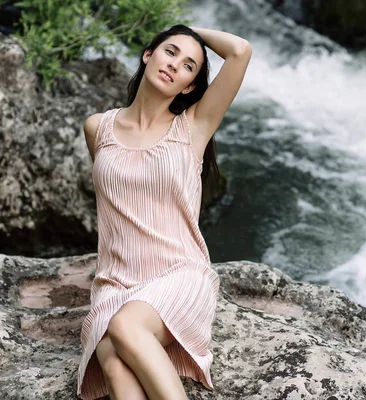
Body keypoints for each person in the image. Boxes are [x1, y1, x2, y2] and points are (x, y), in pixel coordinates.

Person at [77, 24, 252, 400]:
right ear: (148, 54)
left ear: (189, 86)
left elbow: (240, 51)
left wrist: (189, 29)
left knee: (125, 329)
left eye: (189, 66)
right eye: (169, 51)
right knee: (112, 363)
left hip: (179, 274)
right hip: (115, 284)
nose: (175, 65)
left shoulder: (194, 127)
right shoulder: (98, 128)